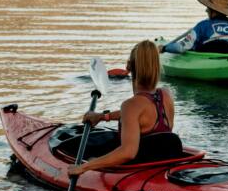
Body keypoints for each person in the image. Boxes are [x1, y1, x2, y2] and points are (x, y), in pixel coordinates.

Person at [67, 40, 182, 175]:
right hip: (161, 161)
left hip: (138, 168)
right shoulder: (166, 94)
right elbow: (141, 115)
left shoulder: (130, 105)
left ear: (130, 66)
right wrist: (103, 117)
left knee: (75, 147)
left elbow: (128, 153)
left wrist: (84, 167)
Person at [162, 0, 228, 54]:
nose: (206, 10)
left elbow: (181, 47)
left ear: (213, 12)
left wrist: (164, 48)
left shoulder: (203, 26)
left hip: (206, 60)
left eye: (208, 8)